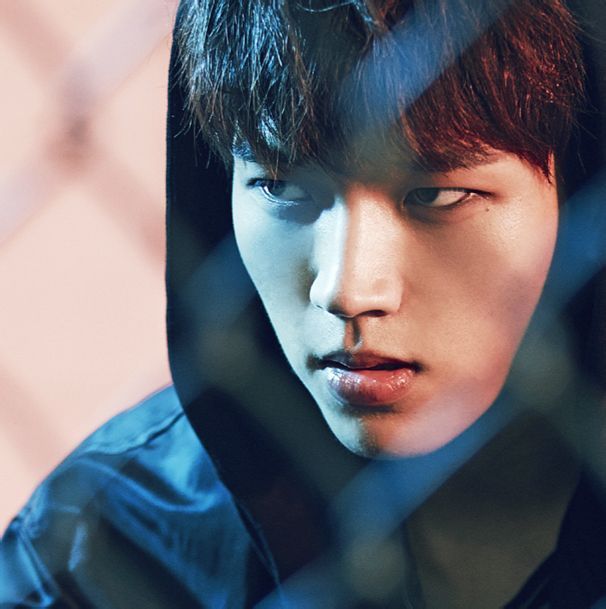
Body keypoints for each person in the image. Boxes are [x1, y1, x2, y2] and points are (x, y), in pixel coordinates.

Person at [2, 0, 605, 607]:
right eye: (281, 185)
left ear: (581, 195)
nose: (347, 291)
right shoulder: (99, 543)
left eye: (438, 195)